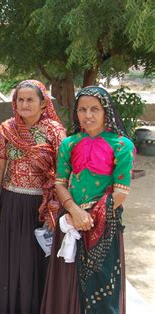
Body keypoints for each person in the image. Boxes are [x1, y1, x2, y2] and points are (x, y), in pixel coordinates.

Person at [40, 86, 135, 314]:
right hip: (71, 220)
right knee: (67, 280)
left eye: (95, 109)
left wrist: (89, 218)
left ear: (106, 112)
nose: (88, 115)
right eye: (82, 109)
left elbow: (121, 193)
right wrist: (74, 212)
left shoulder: (122, 145)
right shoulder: (69, 143)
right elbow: (60, 182)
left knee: (101, 283)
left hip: (103, 225)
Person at [0, 80, 66, 313]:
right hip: (11, 200)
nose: (24, 104)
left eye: (29, 99)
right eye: (20, 99)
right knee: (11, 257)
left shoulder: (55, 131)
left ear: (43, 104)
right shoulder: (7, 129)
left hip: (41, 205)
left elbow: (62, 171)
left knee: (36, 257)